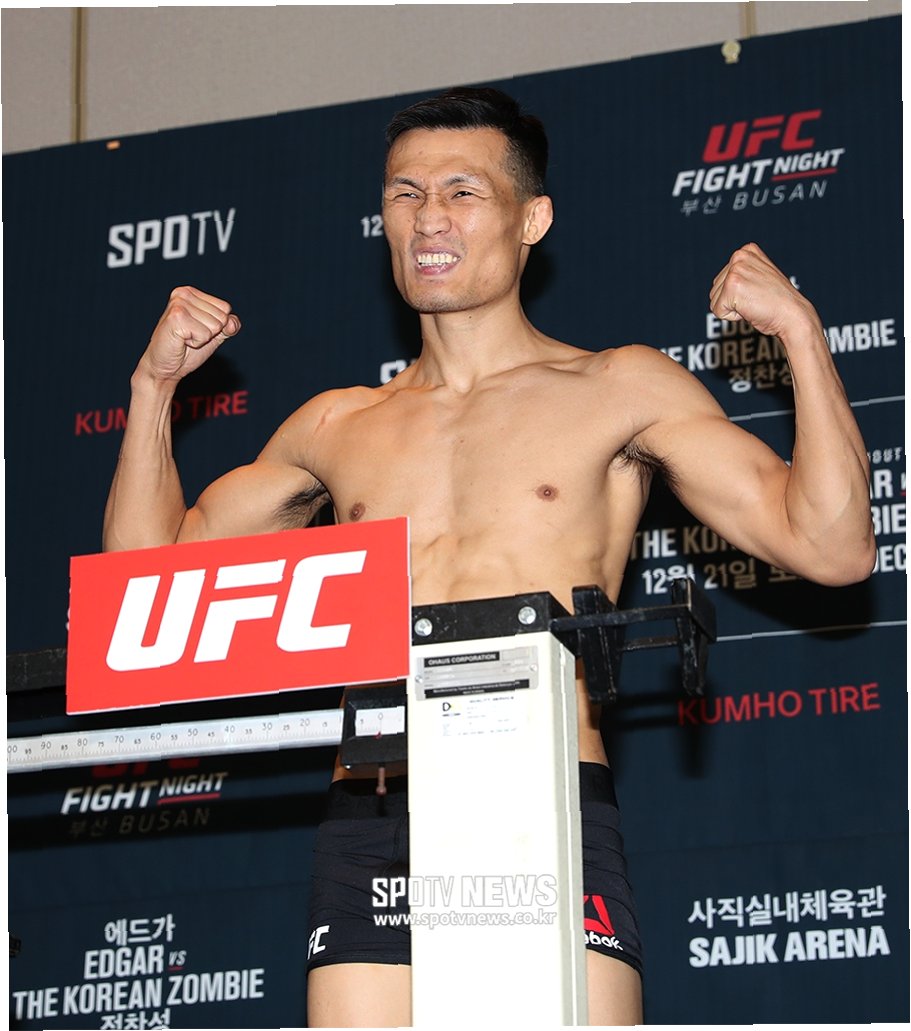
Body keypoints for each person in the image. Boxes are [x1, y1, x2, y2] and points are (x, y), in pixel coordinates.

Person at [103, 87, 875, 1026]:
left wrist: (799, 334)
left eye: (462, 192)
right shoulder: (336, 425)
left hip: (542, 795)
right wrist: (153, 387)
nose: (429, 217)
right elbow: (141, 594)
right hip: (376, 809)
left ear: (531, 218)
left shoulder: (617, 387)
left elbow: (831, 544)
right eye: (405, 194)